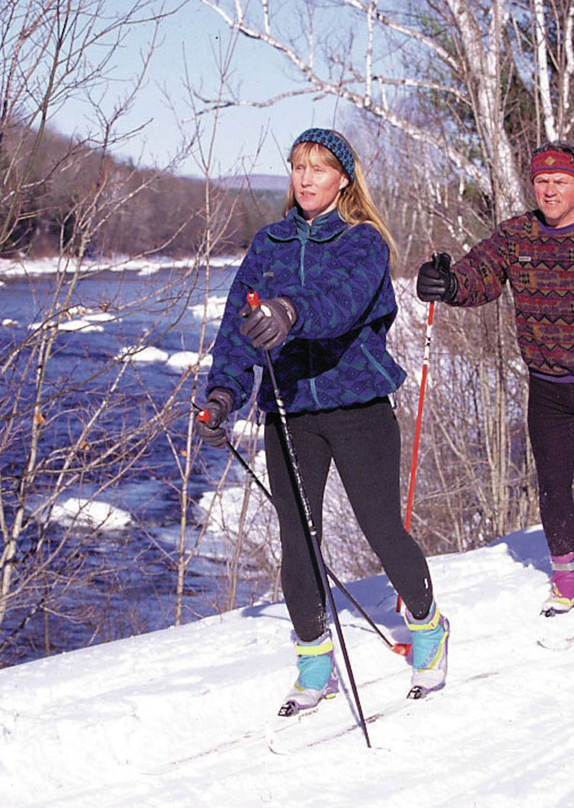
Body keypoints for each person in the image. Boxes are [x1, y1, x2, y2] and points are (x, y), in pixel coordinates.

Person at [196, 128, 449, 715]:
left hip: (358, 405)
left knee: (382, 528)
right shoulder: (270, 244)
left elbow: (339, 305)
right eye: (297, 167)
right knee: (297, 542)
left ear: (344, 178)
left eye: (319, 168)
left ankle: (429, 627)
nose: (306, 178)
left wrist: (289, 312)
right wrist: (223, 395)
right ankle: (314, 665)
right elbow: (240, 324)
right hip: (290, 411)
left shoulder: (363, 243)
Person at [415, 141, 574, 615]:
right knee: (553, 485)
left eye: (560, 181)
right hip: (548, 384)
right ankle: (566, 577)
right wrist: (445, 284)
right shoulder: (517, 235)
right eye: (541, 182)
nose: (549, 191)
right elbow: (479, 276)